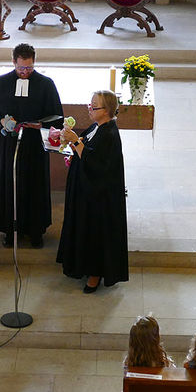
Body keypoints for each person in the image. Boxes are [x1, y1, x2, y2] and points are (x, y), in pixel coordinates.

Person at [0, 43, 63, 249]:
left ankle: (36, 231)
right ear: (13, 62)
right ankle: (10, 230)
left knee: (36, 185)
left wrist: (41, 124)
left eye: (29, 68)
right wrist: (1, 122)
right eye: (21, 68)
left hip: (35, 145)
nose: (25, 72)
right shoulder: (0, 83)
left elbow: (56, 116)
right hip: (10, 145)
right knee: (11, 185)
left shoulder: (46, 84)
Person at [56, 89, 128, 293]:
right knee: (83, 230)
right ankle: (81, 266)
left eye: (93, 106)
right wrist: (70, 146)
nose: (90, 108)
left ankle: (95, 274)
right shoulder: (96, 127)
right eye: (90, 104)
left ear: (106, 111)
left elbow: (97, 164)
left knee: (95, 234)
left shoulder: (110, 134)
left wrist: (75, 141)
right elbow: (85, 151)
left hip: (99, 199)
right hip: (85, 192)